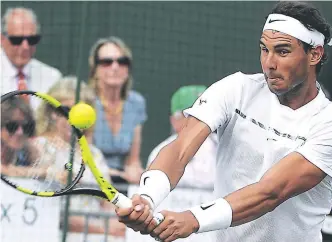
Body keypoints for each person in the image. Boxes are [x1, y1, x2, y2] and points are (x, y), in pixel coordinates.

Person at [115, 2, 332, 242]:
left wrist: (194, 219)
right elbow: (180, 149)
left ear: (315, 54)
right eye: (264, 49)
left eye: (283, 51)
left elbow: (271, 192)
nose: (269, 63)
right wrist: (147, 198)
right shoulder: (235, 89)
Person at [34, 76, 126, 238]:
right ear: (52, 113)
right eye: (66, 110)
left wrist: (117, 223)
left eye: (80, 111)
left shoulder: (95, 154)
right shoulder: (39, 147)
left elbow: (107, 201)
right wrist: (103, 230)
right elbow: (53, 211)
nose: (72, 118)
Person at [88, 36, 147, 185]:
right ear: (95, 69)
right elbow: (84, 158)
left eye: (122, 62)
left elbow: (133, 159)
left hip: (123, 185)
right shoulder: (85, 102)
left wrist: (135, 171)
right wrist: (120, 175)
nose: (115, 67)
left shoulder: (136, 103)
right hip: (90, 180)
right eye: (107, 62)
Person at [147, 85, 216, 190]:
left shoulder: (227, 146)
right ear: (175, 120)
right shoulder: (160, 153)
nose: (201, 119)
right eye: (192, 115)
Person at [1, 7, 62, 109]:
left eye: (32, 39)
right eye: (17, 40)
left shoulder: (52, 78)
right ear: (2, 39)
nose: (25, 47)